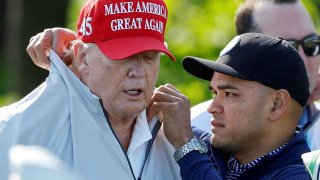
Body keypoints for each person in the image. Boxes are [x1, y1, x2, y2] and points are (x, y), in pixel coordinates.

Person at [0, 0, 182, 179]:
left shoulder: (179, 136)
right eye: (123, 56)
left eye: (150, 57)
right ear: (83, 58)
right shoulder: (17, 130)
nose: (138, 72)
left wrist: (189, 146)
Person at [149, 33, 311, 179]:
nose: (212, 108)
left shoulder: (300, 175)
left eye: (230, 94)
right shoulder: (223, 150)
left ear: (276, 104)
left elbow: (187, 140)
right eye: (215, 93)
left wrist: (186, 144)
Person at [191, 0, 320, 150]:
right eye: (287, 47)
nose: (303, 60)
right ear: (245, 48)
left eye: (311, 44)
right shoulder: (193, 127)